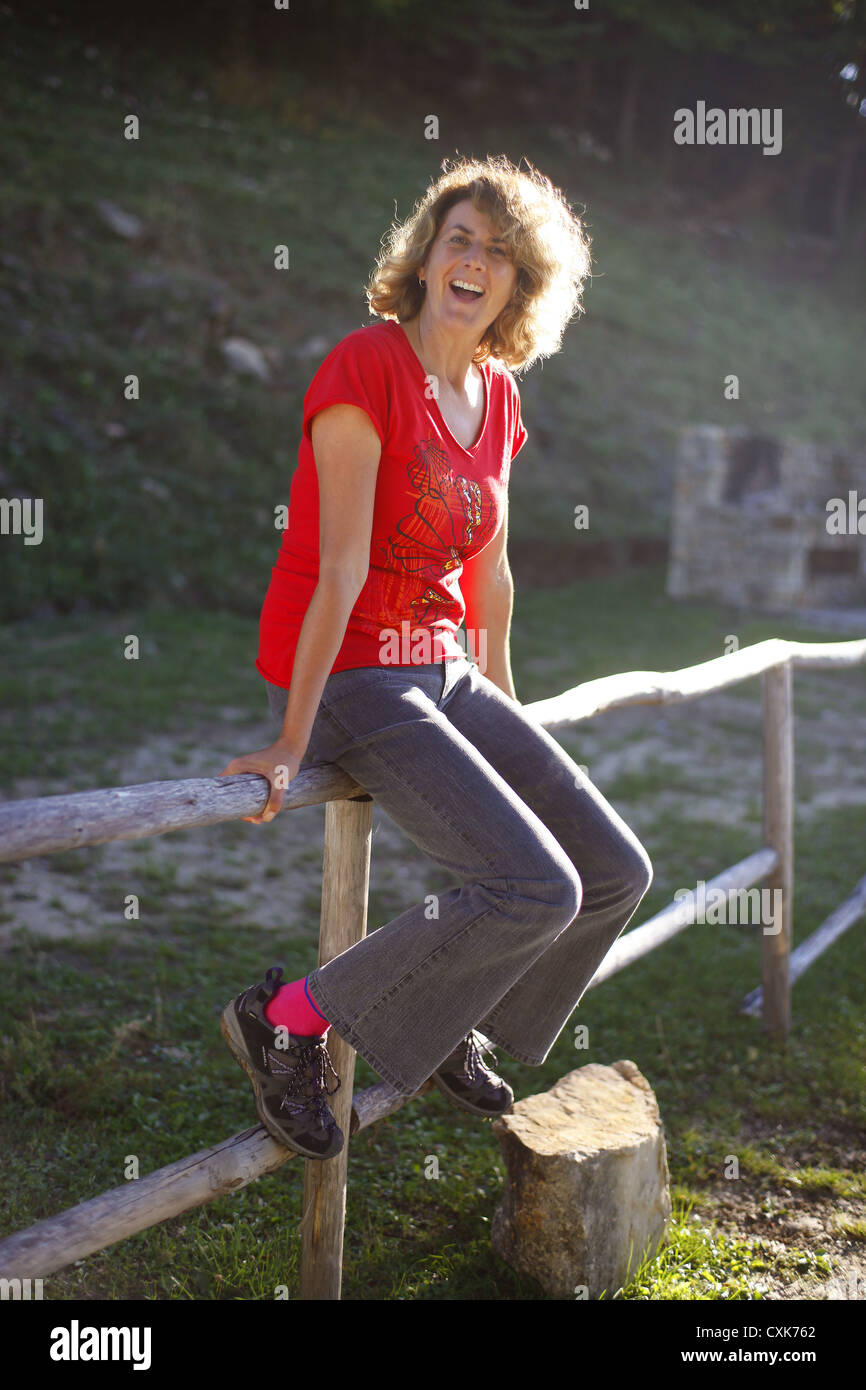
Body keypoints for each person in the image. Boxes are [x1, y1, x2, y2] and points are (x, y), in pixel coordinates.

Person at [217, 153, 653, 1161]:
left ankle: (459, 1016)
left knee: (611, 870)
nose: (473, 261)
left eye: (498, 253)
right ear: (424, 258)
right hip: (352, 673)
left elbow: (491, 569)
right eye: (458, 238)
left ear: (517, 284)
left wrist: (502, 698)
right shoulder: (363, 369)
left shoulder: (494, 396)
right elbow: (339, 571)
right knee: (530, 886)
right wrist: (290, 735)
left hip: (443, 669)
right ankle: (284, 1015)